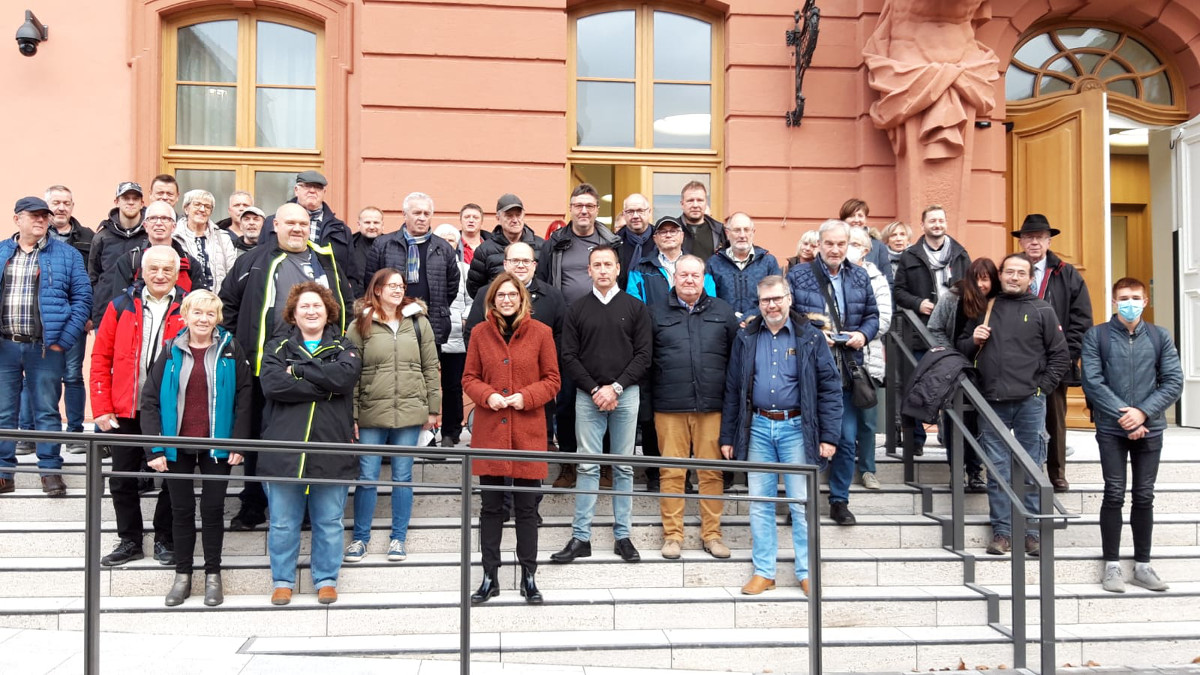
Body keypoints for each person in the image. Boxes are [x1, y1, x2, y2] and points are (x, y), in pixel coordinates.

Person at [219, 202, 353, 531]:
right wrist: (238, 348)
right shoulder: (251, 260)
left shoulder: (326, 261)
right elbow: (228, 305)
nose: (297, 229)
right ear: (274, 225)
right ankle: (253, 503)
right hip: (263, 366)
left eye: (303, 223)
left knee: (309, 438)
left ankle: (307, 506)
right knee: (259, 437)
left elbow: (345, 304)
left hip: (317, 361)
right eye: (289, 222)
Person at [721, 275, 842, 596]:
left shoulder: (810, 337)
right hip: (757, 428)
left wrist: (829, 436)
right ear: (758, 304)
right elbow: (733, 389)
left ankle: (807, 572)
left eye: (777, 299)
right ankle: (764, 572)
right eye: (765, 301)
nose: (771, 305)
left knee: (801, 505)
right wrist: (728, 436)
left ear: (789, 299)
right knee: (760, 503)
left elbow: (830, 389)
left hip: (797, 429)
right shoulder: (746, 337)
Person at [140, 290, 252, 607]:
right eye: (197, 313)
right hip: (178, 445)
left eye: (210, 314)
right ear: (185, 316)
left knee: (213, 510)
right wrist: (154, 449)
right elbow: (149, 400)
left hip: (218, 445)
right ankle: (183, 576)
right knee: (181, 511)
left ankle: (213, 575)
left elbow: (245, 397)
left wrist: (239, 442)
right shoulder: (171, 350)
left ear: (217, 318)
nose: (203, 319)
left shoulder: (229, 349)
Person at [957, 253, 1069, 557]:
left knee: (1031, 466)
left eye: (1021, 273)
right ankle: (1002, 532)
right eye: (1009, 272)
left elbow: (1060, 356)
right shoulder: (984, 308)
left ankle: (1032, 532)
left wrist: (1041, 388)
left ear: (1030, 278)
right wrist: (973, 340)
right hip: (991, 401)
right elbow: (960, 349)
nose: (1014, 277)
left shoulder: (1042, 310)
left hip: (1030, 402)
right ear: (1001, 275)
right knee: (997, 470)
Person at [259, 282, 362, 606]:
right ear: (293, 312)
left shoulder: (345, 346)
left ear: (328, 309)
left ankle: (327, 579)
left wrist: (300, 371)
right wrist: (323, 386)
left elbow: (344, 379)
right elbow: (274, 385)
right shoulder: (277, 347)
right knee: (283, 522)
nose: (311, 311)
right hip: (284, 450)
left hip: (330, 447)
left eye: (316, 305)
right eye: (304, 306)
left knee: (329, 521)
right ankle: (282, 580)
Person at [463, 272, 561, 604]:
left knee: (526, 509)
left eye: (512, 295)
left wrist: (527, 397)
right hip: (491, 430)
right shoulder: (479, 333)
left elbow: (552, 380)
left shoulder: (542, 333)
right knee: (491, 508)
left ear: (522, 299)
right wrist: (486, 395)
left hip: (528, 432)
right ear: (492, 300)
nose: (507, 300)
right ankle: (490, 576)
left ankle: (529, 576)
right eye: (500, 295)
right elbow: (469, 377)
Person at [1081, 277, 1183, 593]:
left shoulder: (1159, 337)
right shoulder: (1096, 336)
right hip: (1112, 428)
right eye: (1123, 297)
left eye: (1136, 297)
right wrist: (1126, 415)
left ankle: (1142, 565)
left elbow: (1173, 381)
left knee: (1144, 494)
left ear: (1145, 301)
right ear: (1113, 302)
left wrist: (1142, 413)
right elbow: (1093, 382)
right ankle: (1111, 565)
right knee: (1114, 491)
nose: (1130, 302)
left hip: (1150, 427)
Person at [551, 247, 651, 564]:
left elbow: (644, 356)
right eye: (597, 265)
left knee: (622, 466)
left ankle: (623, 535)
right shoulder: (577, 309)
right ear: (589, 271)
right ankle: (581, 537)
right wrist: (595, 388)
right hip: (588, 395)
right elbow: (568, 356)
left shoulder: (636, 308)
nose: (603, 270)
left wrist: (616, 387)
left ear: (618, 268)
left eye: (608, 264)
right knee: (588, 466)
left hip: (626, 394)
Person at [89, 245, 184, 563]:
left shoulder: (189, 308)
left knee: (172, 479)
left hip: (170, 411)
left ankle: (165, 539)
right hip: (125, 409)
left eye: (167, 270)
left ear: (176, 273)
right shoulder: (120, 306)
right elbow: (100, 357)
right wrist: (101, 406)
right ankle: (129, 540)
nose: (160, 275)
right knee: (121, 478)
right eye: (153, 269)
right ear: (142, 272)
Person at [342, 268, 440, 564]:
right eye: (391, 285)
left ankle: (398, 538)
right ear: (377, 290)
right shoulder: (359, 325)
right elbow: (352, 375)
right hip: (372, 411)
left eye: (401, 285)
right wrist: (353, 415)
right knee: (367, 477)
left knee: (402, 477)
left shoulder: (419, 322)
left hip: (411, 411)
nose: (398, 290)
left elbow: (431, 366)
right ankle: (360, 538)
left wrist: (433, 409)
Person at [787, 219, 879, 525]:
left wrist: (863, 335)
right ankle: (800, 501)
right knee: (805, 437)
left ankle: (839, 500)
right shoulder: (799, 274)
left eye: (841, 243)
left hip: (847, 367)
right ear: (819, 245)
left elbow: (873, 315)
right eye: (830, 243)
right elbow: (791, 314)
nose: (836, 249)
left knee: (845, 435)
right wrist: (815, 334)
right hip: (809, 367)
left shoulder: (860, 276)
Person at [0, 197, 92, 496]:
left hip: (45, 348)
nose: (41, 221)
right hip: (5, 346)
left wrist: (63, 341)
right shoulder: (2, 251)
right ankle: (4, 472)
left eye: (44, 216)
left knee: (47, 412)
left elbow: (82, 300)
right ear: (17, 219)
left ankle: (50, 471)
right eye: (34, 216)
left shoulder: (67, 255)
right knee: (3, 413)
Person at [650, 256, 739, 559]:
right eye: (683, 274)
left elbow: (735, 363)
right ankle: (673, 536)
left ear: (704, 278)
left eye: (695, 275)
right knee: (672, 473)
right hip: (669, 406)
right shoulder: (656, 312)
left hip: (712, 407)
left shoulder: (723, 312)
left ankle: (712, 535)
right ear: (674, 277)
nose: (689, 280)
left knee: (711, 473)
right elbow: (647, 361)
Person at [537, 184, 620, 487]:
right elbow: (543, 285)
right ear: (570, 208)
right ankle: (570, 465)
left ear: (597, 209)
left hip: (607, 332)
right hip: (567, 333)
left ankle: (608, 465)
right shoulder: (555, 244)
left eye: (589, 205)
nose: (583, 210)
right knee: (568, 400)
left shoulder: (612, 241)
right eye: (578, 205)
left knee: (609, 395)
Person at [1014, 214, 1092, 492]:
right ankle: (1020, 470)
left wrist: (1069, 355)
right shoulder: (1012, 269)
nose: (1034, 242)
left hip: (1055, 358)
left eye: (1040, 237)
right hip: (1017, 359)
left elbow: (1081, 319)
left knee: (1055, 418)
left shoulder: (1067, 273)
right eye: (1029, 237)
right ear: (1021, 241)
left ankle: (1057, 472)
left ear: (1048, 241)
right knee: (1016, 415)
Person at [893, 205, 971, 452]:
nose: (937, 224)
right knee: (916, 384)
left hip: (953, 332)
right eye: (932, 221)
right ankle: (915, 440)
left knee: (951, 385)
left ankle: (949, 439)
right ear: (923, 225)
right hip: (920, 332)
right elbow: (899, 292)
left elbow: (971, 289)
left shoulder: (960, 254)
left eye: (941, 220)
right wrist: (918, 303)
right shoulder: (910, 255)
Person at [26, 185, 92, 454]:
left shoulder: (88, 237)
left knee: (73, 376)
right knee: (35, 377)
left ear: (73, 206)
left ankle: (75, 432)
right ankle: (30, 433)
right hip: (39, 323)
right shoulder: (33, 237)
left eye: (66, 202)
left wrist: (88, 315)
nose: (61, 207)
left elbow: (94, 277)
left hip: (74, 322)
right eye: (56, 203)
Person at [927, 257, 999, 493]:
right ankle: (957, 471)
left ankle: (976, 471)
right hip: (956, 368)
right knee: (955, 422)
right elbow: (935, 327)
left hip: (988, 370)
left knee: (979, 423)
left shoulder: (998, 301)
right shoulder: (953, 296)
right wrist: (950, 355)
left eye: (986, 279)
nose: (981, 285)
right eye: (977, 278)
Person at [366, 192, 461, 348]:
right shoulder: (383, 244)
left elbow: (451, 287)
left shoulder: (443, 248)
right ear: (404, 214)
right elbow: (370, 284)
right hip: (390, 321)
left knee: (429, 370)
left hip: (432, 321)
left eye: (426, 213)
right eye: (417, 213)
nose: (422, 218)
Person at [261, 170, 363, 296]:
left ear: (324, 192)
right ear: (296, 190)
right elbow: (261, 259)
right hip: (281, 291)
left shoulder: (341, 229)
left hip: (327, 297)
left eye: (318, 187)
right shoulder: (273, 222)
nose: (312, 191)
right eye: (307, 186)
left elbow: (351, 275)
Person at [847, 227, 892, 490]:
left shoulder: (877, 278)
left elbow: (883, 318)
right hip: (839, 356)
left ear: (866, 249)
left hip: (868, 355)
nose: (849, 247)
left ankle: (867, 468)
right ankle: (837, 464)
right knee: (840, 418)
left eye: (854, 243)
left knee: (867, 418)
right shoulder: (835, 274)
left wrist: (861, 334)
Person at [434, 223, 471, 446]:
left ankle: (451, 430)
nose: (448, 245)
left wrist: (462, 320)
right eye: (444, 240)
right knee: (424, 385)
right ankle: (426, 432)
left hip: (456, 338)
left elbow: (471, 301)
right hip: (429, 335)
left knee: (452, 386)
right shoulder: (425, 266)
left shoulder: (465, 269)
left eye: (452, 241)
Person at [466, 193, 544, 297]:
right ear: (498, 218)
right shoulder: (485, 250)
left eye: (518, 214)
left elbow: (547, 283)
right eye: (509, 215)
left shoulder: (541, 246)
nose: (515, 220)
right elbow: (474, 288)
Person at [89, 181, 146, 324]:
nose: (131, 202)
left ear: (142, 203)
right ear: (117, 202)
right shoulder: (102, 236)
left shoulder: (150, 235)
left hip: (141, 314)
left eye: (135, 199)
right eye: (126, 198)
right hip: (105, 312)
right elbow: (93, 276)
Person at [627, 216, 716, 307]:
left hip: (693, 320)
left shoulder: (698, 267)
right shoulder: (641, 268)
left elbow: (709, 301)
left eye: (673, 231)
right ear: (655, 238)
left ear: (682, 236)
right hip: (654, 320)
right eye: (663, 232)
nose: (668, 235)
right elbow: (635, 305)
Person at [707, 212, 782, 319]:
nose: (742, 235)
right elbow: (709, 299)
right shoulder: (714, 262)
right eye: (737, 230)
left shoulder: (768, 261)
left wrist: (749, 317)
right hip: (724, 327)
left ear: (753, 232)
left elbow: (775, 296)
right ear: (727, 233)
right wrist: (731, 318)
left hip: (760, 326)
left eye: (746, 230)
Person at [175, 189, 238, 291]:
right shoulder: (175, 237)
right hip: (185, 299)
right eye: (197, 204)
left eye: (207, 207)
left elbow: (232, 271)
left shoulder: (223, 237)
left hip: (217, 300)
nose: (202, 209)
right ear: (186, 209)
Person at [840, 198, 893, 283]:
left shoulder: (877, 245)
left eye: (860, 216)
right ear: (843, 220)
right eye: (852, 216)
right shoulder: (835, 244)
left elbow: (888, 279)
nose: (856, 220)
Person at [678, 181, 727, 260]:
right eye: (690, 201)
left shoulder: (718, 231)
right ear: (682, 204)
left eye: (700, 200)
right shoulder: (672, 230)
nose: (695, 205)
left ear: (706, 203)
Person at [615, 194, 654, 289]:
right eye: (630, 212)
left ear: (649, 212)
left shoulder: (661, 241)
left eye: (640, 211)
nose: (635, 216)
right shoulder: (613, 243)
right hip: (622, 300)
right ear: (624, 214)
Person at [351, 206, 386, 283]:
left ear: (382, 225)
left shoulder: (392, 245)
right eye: (367, 222)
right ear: (359, 225)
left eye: (376, 222)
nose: (372, 227)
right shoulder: (349, 244)